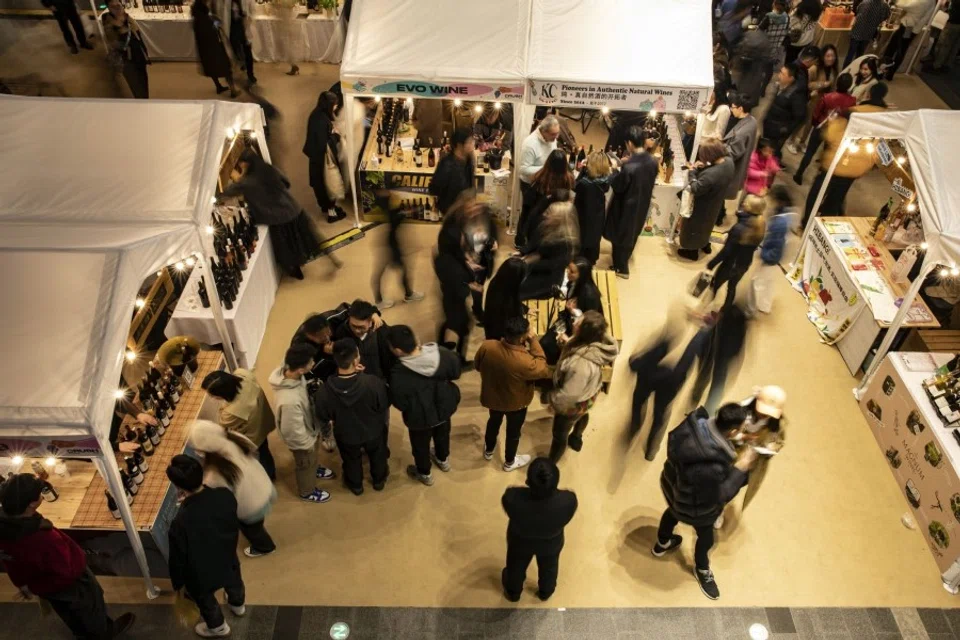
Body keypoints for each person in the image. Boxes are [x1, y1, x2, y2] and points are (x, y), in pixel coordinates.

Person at [0, 474, 135, 639]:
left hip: (45, 585)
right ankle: (104, 633)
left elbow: (9, 560)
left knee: (69, 612)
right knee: (90, 608)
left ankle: (81, 633)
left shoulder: (5, 527)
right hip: (72, 583)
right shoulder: (42, 538)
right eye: (40, 492)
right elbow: (66, 572)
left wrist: (22, 584)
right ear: (32, 504)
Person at [653, 403, 757, 600]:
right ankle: (702, 570)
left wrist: (736, 439)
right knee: (706, 538)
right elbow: (721, 494)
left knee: (671, 514)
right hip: (692, 506)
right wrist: (741, 468)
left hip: (671, 486)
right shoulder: (712, 466)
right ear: (732, 431)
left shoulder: (693, 424)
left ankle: (662, 543)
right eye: (742, 429)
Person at [166, 455, 245, 637]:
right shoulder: (225, 496)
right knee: (234, 582)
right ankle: (237, 604)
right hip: (227, 557)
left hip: (200, 572)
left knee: (205, 599)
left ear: (178, 487)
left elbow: (178, 558)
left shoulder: (181, 521)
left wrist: (178, 583)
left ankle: (218, 627)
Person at [221, 149, 326, 280]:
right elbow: (287, 183)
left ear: (246, 164)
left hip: (276, 217)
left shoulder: (247, 182)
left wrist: (237, 178)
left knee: (285, 247)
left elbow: (227, 192)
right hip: (291, 208)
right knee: (299, 240)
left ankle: (295, 270)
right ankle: (305, 263)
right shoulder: (269, 169)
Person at [188, 420, 277, 559]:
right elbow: (253, 451)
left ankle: (264, 547)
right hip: (263, 486)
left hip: (251, 506)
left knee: (253, 530)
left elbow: (216, 496)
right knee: (257, 524)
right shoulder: (234, 437)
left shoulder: (215, 472)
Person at [386, 325, 462, 486]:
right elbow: (456, 372)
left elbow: (399, 402)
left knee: (420, 446)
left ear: (398, 351)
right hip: (444, 407)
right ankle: (443, 460)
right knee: (443, 435)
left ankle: (424, 473)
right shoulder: (442, 353)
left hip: (419, 418)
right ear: (416, 340)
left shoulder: (398, 373)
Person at [803, 83, 888, 224]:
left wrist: (831, 122)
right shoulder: (884, 120)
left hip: (835, 163)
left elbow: (831, 136)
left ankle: (805, 223)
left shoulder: (852, 112)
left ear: (868, 95)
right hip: (857, 168)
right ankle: (821, 227)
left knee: (817, 194)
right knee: (835, 199)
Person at [475, 316, 552, 472]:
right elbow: (543, 368)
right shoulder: (526, 361)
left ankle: (489, 450)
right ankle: (509, 462)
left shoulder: (487, 346)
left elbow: (478, 366)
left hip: (493, 399)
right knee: (513, 432)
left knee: (493, 423)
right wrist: (534, 340)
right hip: (516, 403)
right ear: (523, 336)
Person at [315, 339, 390, 495]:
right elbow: (383, 404)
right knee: (378, 455)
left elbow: (322, 415)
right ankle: (379, 480)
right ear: (356, 359)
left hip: (346, 434)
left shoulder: (325, 391)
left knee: (350, 460)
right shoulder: (373, 383)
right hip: (373, 430)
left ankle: (356, 486)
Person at [500, 458, 578, 602]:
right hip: (551, 543)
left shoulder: (513, 498)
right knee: (549, 567)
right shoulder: (568, 501)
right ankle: (546, 591)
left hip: (520, 541)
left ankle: (513, 592)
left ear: (528, 482)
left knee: (515, 566)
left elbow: (509, 499)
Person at [544, 311, 618, 462]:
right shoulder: (594, 340)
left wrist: (553, 400)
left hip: (575, 402)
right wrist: (568, 343)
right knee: (583, 414)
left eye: (579, 321)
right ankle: (577, 436)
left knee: (559, 434)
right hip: (589, 393)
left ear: (584, 331)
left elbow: (570, 394)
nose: (574, 322)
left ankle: (551, 463)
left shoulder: (581, 365)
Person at [268, 343, 337, 504]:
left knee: (311, 460)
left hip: (310, 426)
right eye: (310, 363)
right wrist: (307, 445)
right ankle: (307, 491)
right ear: (300, 369)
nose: (313, 364)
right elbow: (293, 431)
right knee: (305, 464)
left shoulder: (292, 373)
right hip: (303, 441)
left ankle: (314, 467)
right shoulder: (289, 401)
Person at [603, 126, 659, 279]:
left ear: (629, 143)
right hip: (642, 203)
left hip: (625, 206)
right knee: (631, 234)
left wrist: (614, 171)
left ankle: (621, 269)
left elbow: (618, 186)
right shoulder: (652, 161)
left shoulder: (629, 166)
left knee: (620, 237)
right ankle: (623, 262)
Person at [201, 368, 277, 481]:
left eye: (213, 395)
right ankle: (272, 474)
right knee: (265, 448)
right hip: (264, 417)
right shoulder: (243, 375)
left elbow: (223, 424)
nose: (212, 398)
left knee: (261, 454)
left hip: (253, 434)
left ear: (222, 393)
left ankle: (268, 476)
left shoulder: (231, 413)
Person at [792, 73, 856, 185]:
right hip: (835, 132)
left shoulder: (827, 97)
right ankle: (819, 179)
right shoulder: (852, 101)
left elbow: (816, 113)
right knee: (826, 154)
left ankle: (799, 174)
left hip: (821, 127)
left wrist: (815, 123)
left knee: (810, 152)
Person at [678, 138, 735, 261]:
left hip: (702, 206)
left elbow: (695, 188)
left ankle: (692, 251)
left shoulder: (711, 175)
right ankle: (705, 245)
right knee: (708, 226)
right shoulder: (729, 162)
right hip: (716, 202)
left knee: (694, 228)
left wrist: (692, 172)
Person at [706, 195, 766, 309]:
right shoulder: (760, 225)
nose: (743, 203)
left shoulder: (739, 229)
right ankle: (725, 310)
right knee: (732, 287)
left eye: (746, 203)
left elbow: (726, 251)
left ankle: (707, 307)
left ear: (751, 208)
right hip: (744, 264)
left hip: (730, 264)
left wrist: (712, 263)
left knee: (715, 285)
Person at [518, 200, 581, 301]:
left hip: (548, 280)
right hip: (537, 269)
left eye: (549, 213)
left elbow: (552, 265)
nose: (545, 214)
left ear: (558, 219)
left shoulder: (565, 243)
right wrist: (523, 252)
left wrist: (527, 263)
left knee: (513, 288)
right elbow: (534, 243)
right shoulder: (547, 228)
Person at [748, 185, 795, 315]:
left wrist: (765, 256)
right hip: (774, 257)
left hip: (771, 257)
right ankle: (764, 305)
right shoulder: (786, 214)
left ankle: (753, 308)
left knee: (758, 281)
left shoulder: (780, 222)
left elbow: (776, 242)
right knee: (768, 282)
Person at [303, 91, 348, 224]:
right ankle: (331, 213)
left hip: (316, 159)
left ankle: (328, 207)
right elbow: (324, 144)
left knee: (321, 185)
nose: (336, 107)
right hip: (323, 162)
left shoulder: (316, 115)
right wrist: (335, 135)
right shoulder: (321, 121)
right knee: (327, 184)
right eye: (334, 105)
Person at [372, 202, 425, 309]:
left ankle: (382, 300)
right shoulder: (388, 204)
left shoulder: (388, 205)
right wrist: (414, 210)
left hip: (389, 243)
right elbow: (396, 217)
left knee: (394, 270)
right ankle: (406, 295)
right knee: (387, 272)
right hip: (390, 246)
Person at [787, 44, 839, 154]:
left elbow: (833, 85)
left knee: (812, 123)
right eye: (828, 56)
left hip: (823, 102)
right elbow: (807, 84)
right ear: (822, 57)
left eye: (833, 56)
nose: (831, 58)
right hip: (811, 99)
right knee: (803, 121)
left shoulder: (834, 71)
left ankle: (802, 142)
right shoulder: (814, 68)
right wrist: (822, 84)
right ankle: (791, 140)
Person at [518, 150, 575, 250]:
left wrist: (523, 233)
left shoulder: (539, 180)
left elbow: (527, 207)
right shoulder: (568, 180)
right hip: (559, 221)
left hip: (540, 223)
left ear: (548, 162)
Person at [517, 116, 561, 242]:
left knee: (540, 213)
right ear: (544, 131)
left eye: (557, 133)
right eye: (553, 134)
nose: (556, 137)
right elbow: (523, 169)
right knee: (528, 213)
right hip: (530, 184)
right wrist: (546, 168)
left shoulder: (552, 139)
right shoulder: (530, 144)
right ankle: (520, 240)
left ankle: (534, 239)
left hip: (545, 182)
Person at [719, 94, 759, 226]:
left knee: (719, 195)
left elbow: (733, 152)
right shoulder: (751, 121)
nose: (731, 109)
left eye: (733, 107)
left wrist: (718, 146)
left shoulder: (742, 132)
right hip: (738, 166)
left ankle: (719, 217)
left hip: (732, 168)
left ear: (741, 108)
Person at [102, 0, 149, 99]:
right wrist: (120, 26)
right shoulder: (109, 23)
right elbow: (114, 43)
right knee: (135, 84)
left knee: (143, 80)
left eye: (118, 5)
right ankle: (141, 102)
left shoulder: (127, 17)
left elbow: (137, 35)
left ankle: (145, 99)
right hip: (127, 60)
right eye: (113, 7)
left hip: (139, 55)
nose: (117, 8)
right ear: (109, 9)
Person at [191, 0, 237, 97]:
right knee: (225, 66)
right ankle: (233, 90)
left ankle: (218, 86)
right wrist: (215, 23)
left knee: (210, 66)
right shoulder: (203, 17)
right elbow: (210, 28)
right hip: (213, 46)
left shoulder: (197, 15)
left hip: (204, 48)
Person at [574, 150, 613, 264]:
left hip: (583, 217)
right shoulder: (605, 181)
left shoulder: (584, 184)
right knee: (594, 239)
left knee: (582, 241)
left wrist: (582, 170)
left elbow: (575, 185)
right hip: (598, 215)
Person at [882, 0, 937, 81]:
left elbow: (907, 6)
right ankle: (889, 72)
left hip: (908, 26)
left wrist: (898, 2)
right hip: (914, 27)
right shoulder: (932, 2)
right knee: (900, 49)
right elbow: (927, 16)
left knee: (894, 48)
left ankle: (884, 70)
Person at [762, 64, 808, 159]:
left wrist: (785, 129)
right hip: (770, 125)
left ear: (791, 78)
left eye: (783, 74)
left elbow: (800, 116)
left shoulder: (796, 95)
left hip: (778, 130)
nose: (779, 75)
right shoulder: (781, 86)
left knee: (770, 155)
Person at [429, 127, 476, 217]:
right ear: (459, 145)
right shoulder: (447, 164)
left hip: (465, 210)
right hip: (451, 212)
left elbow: (471, 182)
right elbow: (434, 189)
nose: (472, 145)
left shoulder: (469, 158)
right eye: (469, 142)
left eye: (472, 141)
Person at [483, 256, 528, 341]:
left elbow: (513, 298)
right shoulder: (501, 302)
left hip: (499, 329)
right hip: (500, 337)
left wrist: (526, 309)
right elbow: (510, 326)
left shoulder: (498, 283)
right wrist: (527, 327)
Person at [290, 312, 338, 386]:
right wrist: (325, 354)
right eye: (322, 337)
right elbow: (307, 373)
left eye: (328, 332)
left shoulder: (329, 319)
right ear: (310, 336)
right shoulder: (300, 348)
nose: (327, 338)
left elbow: (346, 310)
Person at [844, 0, 892, 68]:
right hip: (869, 33)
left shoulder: (865, 3)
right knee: (860, 55)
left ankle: (845, 70)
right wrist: (877, 21)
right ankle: (857, 70)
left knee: (850, 54)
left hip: (857, 30)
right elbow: (887, 16)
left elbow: (857, 11)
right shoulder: (885, 6)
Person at [927, 0, 960, 73]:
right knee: (954, 46)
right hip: (956, 22)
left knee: (944, 45)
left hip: (953, 23)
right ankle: (947, 65)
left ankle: (937, 66)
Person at [228, 0, 255, 86]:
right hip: (232, 29)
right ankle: (240, 67)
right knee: (235, 51)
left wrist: (246, 16)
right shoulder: (227, 2)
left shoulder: (246, 1)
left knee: (248, 52)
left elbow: (252, 13)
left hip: (244, 28)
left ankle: (250, 74)